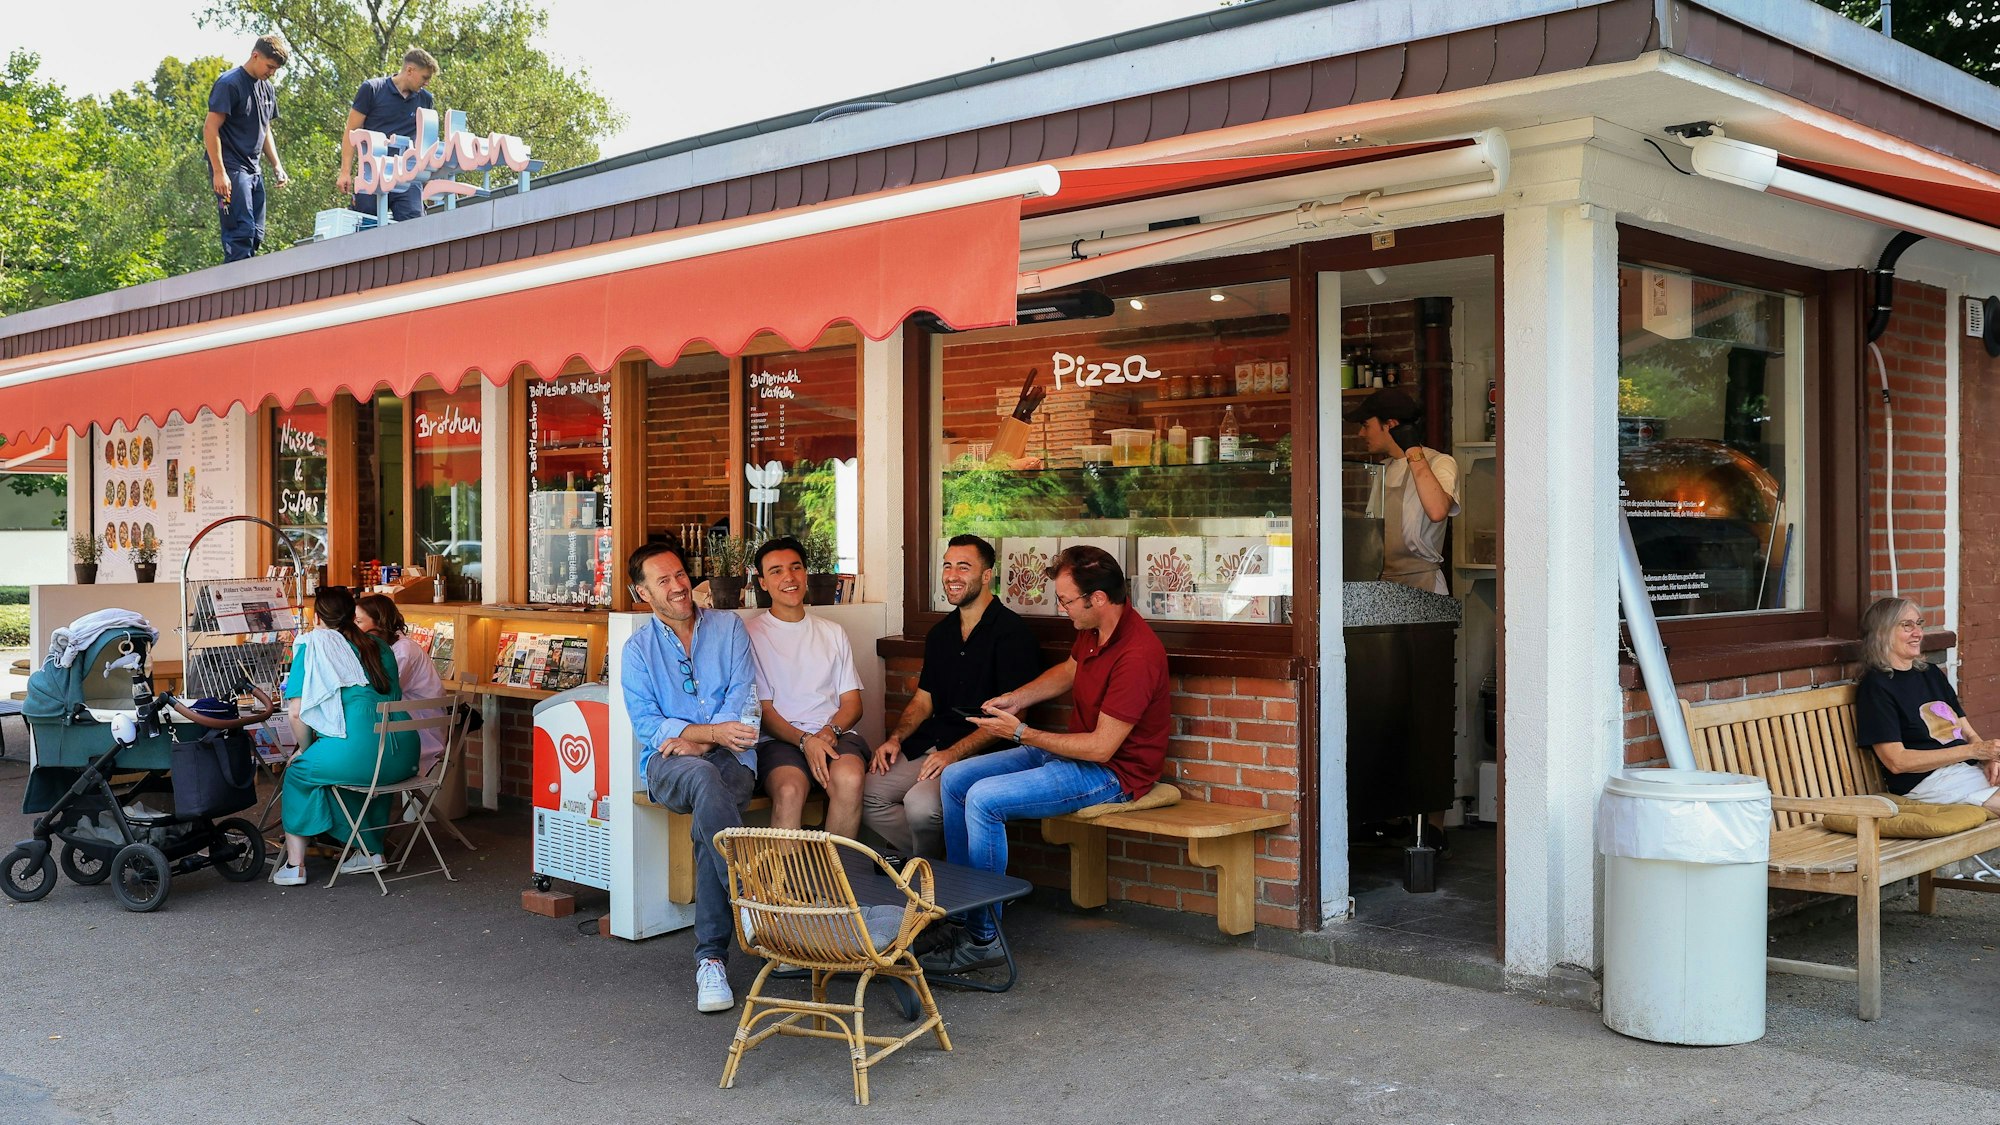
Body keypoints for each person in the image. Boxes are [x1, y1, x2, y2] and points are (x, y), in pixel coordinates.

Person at [927, 545, 1171, 974]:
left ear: (1097, 599)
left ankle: (985, 939)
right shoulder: (1094, 628)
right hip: (1069, 748)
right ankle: (961, 915)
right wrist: (1016, 698)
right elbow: (1069, 671)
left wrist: (1020, 732)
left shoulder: (1138, 654)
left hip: (1112, 773)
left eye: (1066, 601)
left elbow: (1101, 749)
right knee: (955, 778)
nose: (1062, 611)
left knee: (985, 800)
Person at [621, 541, 763, 1013]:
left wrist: (703, 738)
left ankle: (712, 961)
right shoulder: (637, 650)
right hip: (667, 766)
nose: (679, 585)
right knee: (702, 780)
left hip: (734, 759)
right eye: (663, 580)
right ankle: (751, 900)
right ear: (642, 594)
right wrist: (708, 735)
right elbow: (647, 724)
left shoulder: (729, 628)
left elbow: (743, 704)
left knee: (710, 812)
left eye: (680, 574)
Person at [863, 534, 1039, 858]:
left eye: (963, 567)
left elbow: (1015, 718)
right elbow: (923, 700)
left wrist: (953, 755)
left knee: (920, 806)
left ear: (987, 576)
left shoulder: (1013, 634)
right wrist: (896, 739)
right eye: (947, 566)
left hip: (981, 752)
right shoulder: (941, 633)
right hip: (933, 741)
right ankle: (937, 867)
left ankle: (932, 883)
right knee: (868, 792)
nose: (952, 575)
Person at [273, 586, 416, 886]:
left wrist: (304, 748)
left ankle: (295, 865)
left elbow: (296, 714)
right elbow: (392, 697)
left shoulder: (312, 646)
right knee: (364, 778)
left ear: (316, 618)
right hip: (403, 753)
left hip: (358, 753)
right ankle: (370, 850)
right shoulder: (380, 646)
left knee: (300, 773)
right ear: (353, 615)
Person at [744, 536, 867, 838]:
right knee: (788, 790)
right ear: (762, 582)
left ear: (805, 573)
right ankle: (784, 885)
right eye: (775, 571)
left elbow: (852, 704)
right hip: (779, 741)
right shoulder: (751, 635)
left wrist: (828, 733)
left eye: (795, 567)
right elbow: (765, 712)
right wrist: (805, 741)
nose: (788, 577)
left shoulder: (832, 632)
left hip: (834, 736)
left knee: (849, 778)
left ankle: (835, 880)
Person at [1854, 596, 2000, 814]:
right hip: (1928, 783)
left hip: (1964, 770)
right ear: (1882, 633)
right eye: (1907, 625)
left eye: (1919, 624)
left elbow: (1967, 732)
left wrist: (1987, 758)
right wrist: (1974, 751)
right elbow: (1897, 761)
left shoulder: (1930, 674)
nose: (1918, 633)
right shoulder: (1876, 686)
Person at [1348, 387, 1461, 595]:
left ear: (1390, 425)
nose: (1361, 433)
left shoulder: (1440, 463)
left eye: (1366, 425)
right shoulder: (1382, 469)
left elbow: (1437, 511)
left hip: (1423, 583)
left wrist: (1412, 449)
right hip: (1383, 584)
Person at [203, 34, 289, 263]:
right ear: (255, 56)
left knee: (256, 235)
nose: (271, 72)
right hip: (231, 167)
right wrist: (219, 172)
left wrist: (277, 164)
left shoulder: (267, 89)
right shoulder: (229, 83)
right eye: (269, 66)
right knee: (240, 234)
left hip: (254, 169)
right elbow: (210, 129)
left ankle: (248, 285)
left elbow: (265, 128)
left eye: (275, 70)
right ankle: (236, 292)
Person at [337, 48, 440, 223]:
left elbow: (425, 143)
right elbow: (351, 131)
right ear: (409, 70)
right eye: (425, 77)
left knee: (415, 224)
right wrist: (345, 172)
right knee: (367, 225)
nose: (427, 83)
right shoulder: (372, 89)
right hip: (371, 174)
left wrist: (429, 180)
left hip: (408, 175)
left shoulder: (425, 100)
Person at [354, 593, 448, 775]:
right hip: (401, 728)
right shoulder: (387, 647)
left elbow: (380, 692)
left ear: (379, 623)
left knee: (349, 752)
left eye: (358, 622)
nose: (354, 629)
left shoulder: (404, 650)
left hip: (418, 735)